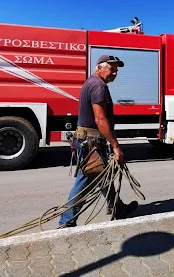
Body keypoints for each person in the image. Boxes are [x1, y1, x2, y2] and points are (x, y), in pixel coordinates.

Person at [58, 55, 138, 228]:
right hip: (91, 142)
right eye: (112, 68)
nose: (115, 73)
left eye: (117, 70)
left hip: (88, 140)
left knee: (103, 177)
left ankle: (117, 208)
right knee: (85, 180)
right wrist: (116, 146)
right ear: (99, 68)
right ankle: (66, 220)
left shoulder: (92, 82)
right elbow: (100, 119)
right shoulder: (98, 86)